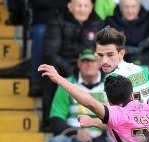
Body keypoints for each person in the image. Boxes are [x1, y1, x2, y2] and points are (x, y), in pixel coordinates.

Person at [47, 49, 109, 142]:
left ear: (99, 64)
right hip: (75, 138)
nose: (88, 65)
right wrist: (76, 132)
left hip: (105, 138)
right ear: (79, 64)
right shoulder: (67, 84)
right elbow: (56, 120)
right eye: (85, 61)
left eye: (92, 61)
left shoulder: (111, 84)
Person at [42, 0, 104, 129]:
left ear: (91, 7)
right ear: (70, 6)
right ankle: (49, 121)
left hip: (89, 62)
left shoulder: (99, 24)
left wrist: (91, 65)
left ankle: (106, 118)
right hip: (63, 64)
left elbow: (101, 51)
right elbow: (50, 52)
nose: (82, 9)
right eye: (79, 5)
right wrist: (71, 70)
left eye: (85, 6)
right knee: (50, 72)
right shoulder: (57, 21)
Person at [29, 0, 68, 96]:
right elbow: (35, 3)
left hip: (65, 19)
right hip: (43, 20)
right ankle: (36, 81)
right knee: (39, 34)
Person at [106, 0, 149, 66]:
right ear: (121, 8)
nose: (130, 11)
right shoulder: (111, 22)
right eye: (126, 7)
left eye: (133, 7)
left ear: (139, 8)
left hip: (143, 61)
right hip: (119, 62)